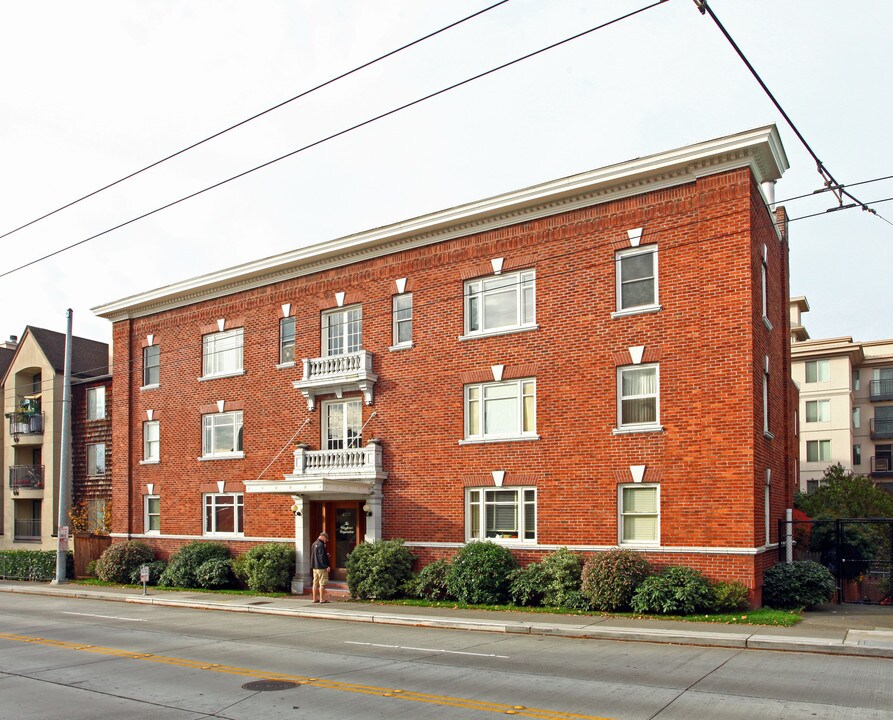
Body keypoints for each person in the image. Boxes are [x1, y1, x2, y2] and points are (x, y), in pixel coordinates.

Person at [310, 531, 330, 603]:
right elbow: (321, 557)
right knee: (322, 583)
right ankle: (322, 599)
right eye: (325, 539)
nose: (325, 541)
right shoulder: (321, 545)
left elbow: (316, 555)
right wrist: (326, 566)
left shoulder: (314, 544)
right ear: (323, 537)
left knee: (315, 583)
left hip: (315, 567)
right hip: (321, 567)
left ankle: (314, 598)